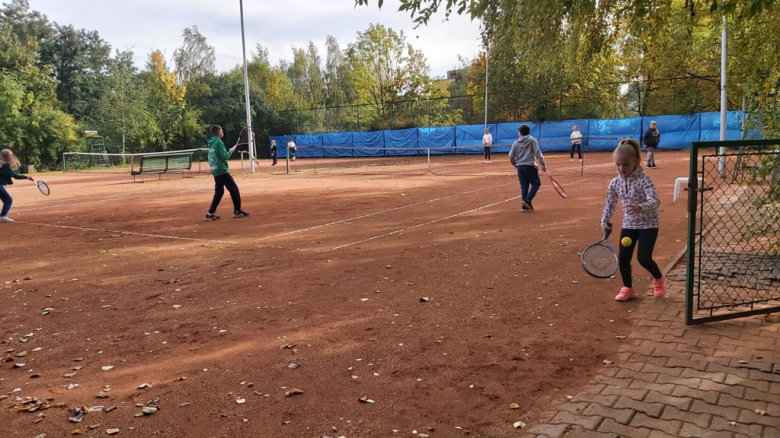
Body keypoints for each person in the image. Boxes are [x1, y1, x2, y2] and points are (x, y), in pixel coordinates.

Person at [600, 138, 665, 302]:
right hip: (629, 224)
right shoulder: (614, 183)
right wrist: (605, 220)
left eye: (626, 164)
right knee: (623, 257)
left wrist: (640, 207)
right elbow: (610, 203)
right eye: (618, 165)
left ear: (635, 160)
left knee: (643, 258)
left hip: (649, 224)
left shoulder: (644, 180)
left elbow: (655, 201)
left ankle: (659, 279)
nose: (621, 168)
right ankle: (627, 288)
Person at [206, 125, 249, 221]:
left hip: (215, 170)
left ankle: (210, 213)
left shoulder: (211, 143)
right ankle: (237, 211)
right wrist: (230, 151)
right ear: (219, 132)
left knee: (219, 192)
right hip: (222, 170)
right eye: (221, 130)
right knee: (234, 189)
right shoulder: (219, 142)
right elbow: (224, 156)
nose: (223, 132)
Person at [509, 125, 546, 212]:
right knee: (536, 183)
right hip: (530, 166)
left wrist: (514, 163)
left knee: (524, 186)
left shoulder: (516, 142)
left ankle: (524, 206)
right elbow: (538, 153)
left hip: (520, 168)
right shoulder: (533, 140)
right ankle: (527, 200)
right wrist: (543, 165)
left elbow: (511, 155)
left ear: (520, 133)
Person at [0, 149, 34, 223]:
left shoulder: (2, 164)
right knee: (8, 200)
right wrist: (26, 177)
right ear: (6, 156)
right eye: (10, 155)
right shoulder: (5, 166)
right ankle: (2, 216)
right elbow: (14, 175)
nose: (12, 156)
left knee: (7, 200)